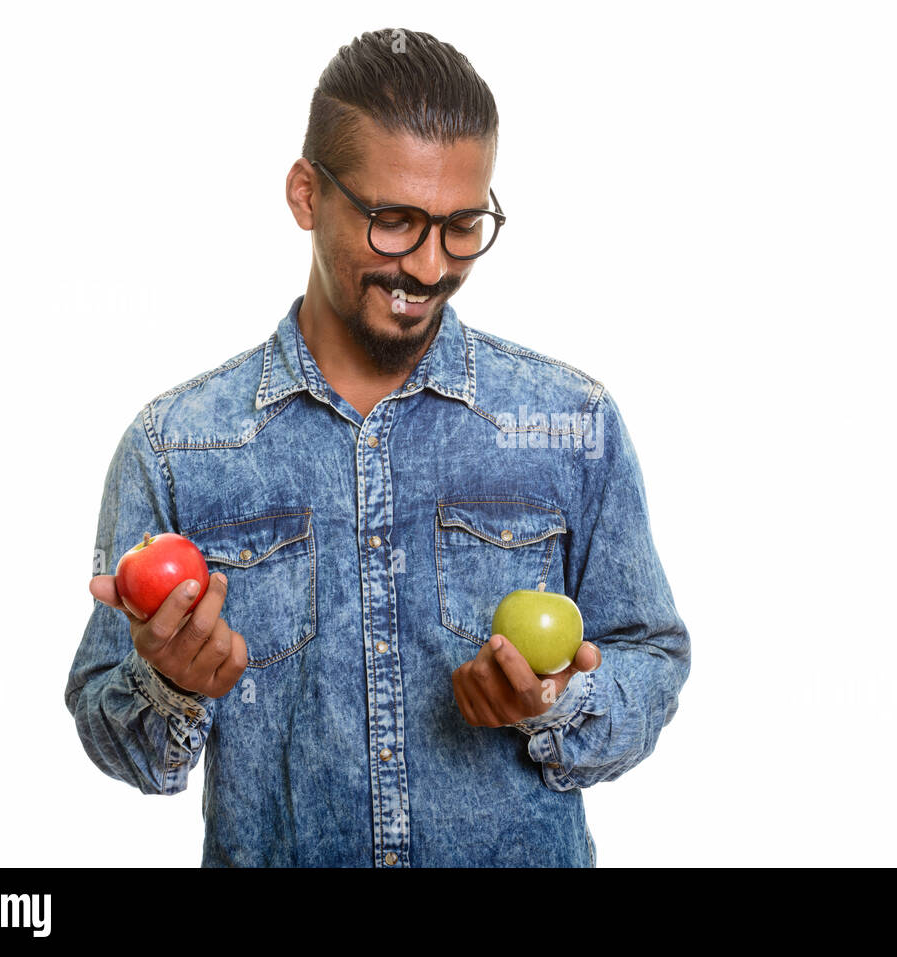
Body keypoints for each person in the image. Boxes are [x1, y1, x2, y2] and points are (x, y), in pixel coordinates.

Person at [65, 27, 690, 867]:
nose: (430, 266)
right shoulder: (177, 446)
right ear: (305, 195)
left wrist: (555, 702)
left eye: (462, 224)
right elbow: (112, 731)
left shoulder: (570, 421)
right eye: (394, 222)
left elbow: (652, 655)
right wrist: (169, 683)